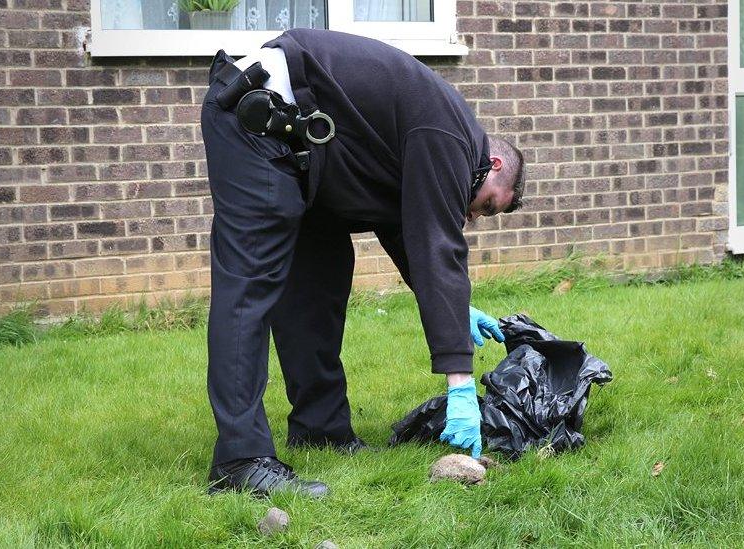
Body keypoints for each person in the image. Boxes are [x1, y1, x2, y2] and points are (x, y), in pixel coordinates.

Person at [200, 28, 527, 499]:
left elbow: (409, 232)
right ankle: (239, 460)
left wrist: (457, 313)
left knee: (321, 278)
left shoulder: (435, 142)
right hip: (257, 117)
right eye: (488, 206)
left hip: (306, 157)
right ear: (493, 164)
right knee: (248, 287)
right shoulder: (451, 136)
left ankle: (321, 429)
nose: (474, 216)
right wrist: (460, 384)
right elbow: (438, 245)